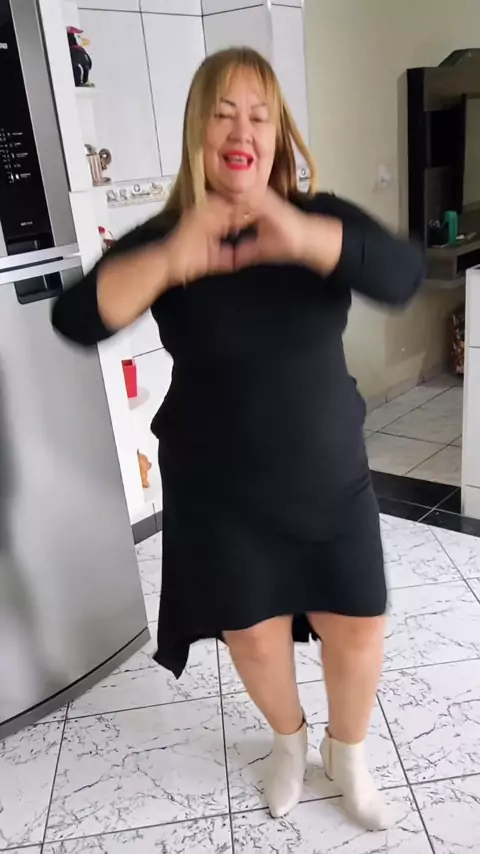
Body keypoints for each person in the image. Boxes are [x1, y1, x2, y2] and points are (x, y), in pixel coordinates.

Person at [52, 47, 424, 830]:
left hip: (328, 476)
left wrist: (302, 236)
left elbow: (402, 275)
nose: (241, 129)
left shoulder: (319, 217)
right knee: (253, 639)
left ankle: (348, 754)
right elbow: (76, 318)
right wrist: (172, 258)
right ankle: (289, 742)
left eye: (258, 114)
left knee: (356, 623)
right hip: (219, 488)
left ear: (278, 132)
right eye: (223, 113)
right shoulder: (166, 235)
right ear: (200, 130)